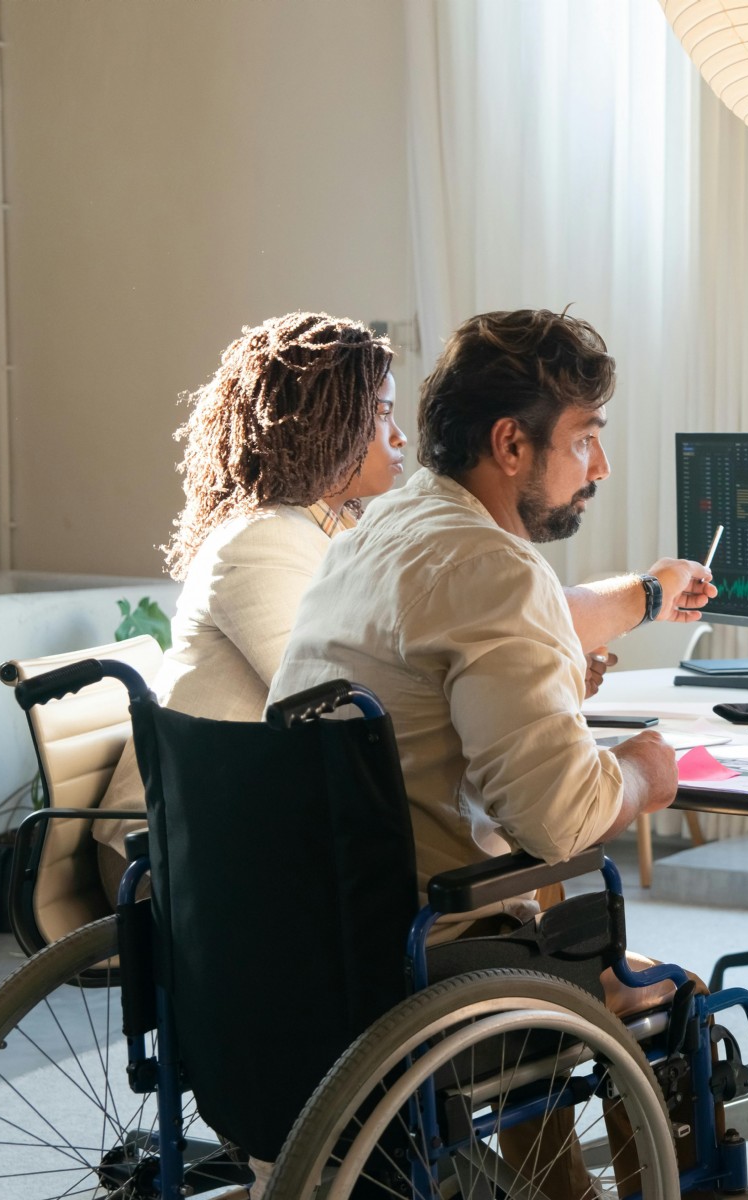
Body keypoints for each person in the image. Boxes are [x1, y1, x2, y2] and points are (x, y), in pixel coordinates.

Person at [268, 308, 714, 916]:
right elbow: (562, 822)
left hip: (319, 926)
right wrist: (642, 772)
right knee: (696, 1000)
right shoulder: (496, 567)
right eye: (584, 440)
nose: (601, 466)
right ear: (510, 444)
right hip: (436, 945)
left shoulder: (376, 528)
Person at [94, 312, 406, 890]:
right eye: (382, 413)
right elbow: (323, 702)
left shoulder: (326, 534)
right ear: (322, 423)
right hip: (167, 850)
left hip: (239, 817)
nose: (400, 435)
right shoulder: (260, 539)